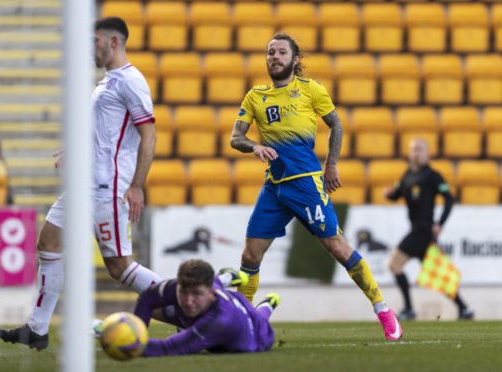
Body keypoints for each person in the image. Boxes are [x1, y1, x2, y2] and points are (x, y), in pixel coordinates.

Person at [0, 17, 161, 350]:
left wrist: (137, 185)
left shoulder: (130, 81)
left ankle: (193, 304)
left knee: (119, 268)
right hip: (85, 184)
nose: (90, 47)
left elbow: (149, 134)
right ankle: (37, 329)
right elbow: (104, 135)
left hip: (107, 187)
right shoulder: (107, 82)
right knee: (49, 242)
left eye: (95, 40)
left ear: (114, 42)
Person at [229, 32, 402, 341]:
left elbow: (336, 124)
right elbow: (235, 138)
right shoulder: (256, 96)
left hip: (306, 183)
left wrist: (331, 164)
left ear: (295, 60)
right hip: (274, 187)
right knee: (250, 256)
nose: (275, 57)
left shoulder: (311, 90)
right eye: (271, 52)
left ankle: (382, 307)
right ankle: (241, 320)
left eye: (281, 52)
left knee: (336, 246)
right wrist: (254, 147)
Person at [385, 138, 474, 320]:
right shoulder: (407, 175)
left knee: (394, 264)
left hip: (423, 231)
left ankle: (409, 309)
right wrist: (389, 194)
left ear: (427, 153)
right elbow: (397, 194)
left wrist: (440, 223)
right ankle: (464, 309)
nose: (416, 153)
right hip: (419, 232)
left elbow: (449, 199)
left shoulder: (433, 175)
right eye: (413, 149)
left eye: (419, 149)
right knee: (438, 276)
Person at [132, 259, 279, 357]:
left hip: (259, 335)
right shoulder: (177, 286)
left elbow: (169, 348)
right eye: (183, 292)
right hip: (230, 300)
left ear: (211, 293)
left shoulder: (220, 321)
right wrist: (136, 333)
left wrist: (129, 344)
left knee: (261, 317)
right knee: (182, 307)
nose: (188, 301)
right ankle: (228, 276)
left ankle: (268, 304)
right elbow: (146, 299)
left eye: (196, 294)